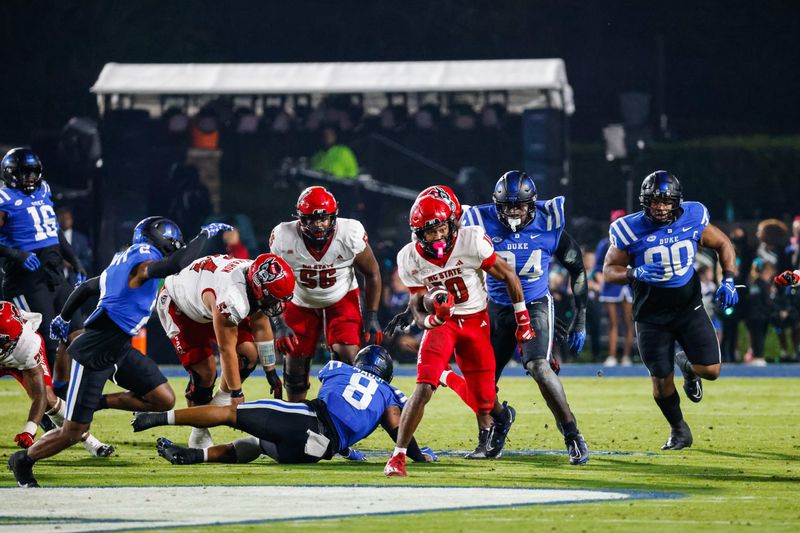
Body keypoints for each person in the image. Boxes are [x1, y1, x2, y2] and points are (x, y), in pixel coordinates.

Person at [7, 217, 232, 487]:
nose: (176, 246)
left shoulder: (124, 258)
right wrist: (203, 235)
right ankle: (23, 461)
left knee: (162, 398)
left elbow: (88, 286)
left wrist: (64, 317)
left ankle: (96, 403)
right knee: (73, 431)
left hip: (119, 347)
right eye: (172, 241)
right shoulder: (142, 261)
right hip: (96, 352)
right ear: (159, 240)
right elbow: (175, 263)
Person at [383, 193, 532, 477]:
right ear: (418, 232)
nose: (438, 236)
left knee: (484, 402)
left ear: (453, 224)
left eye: (442, 228)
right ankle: (398, 456)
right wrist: (429, 319)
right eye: (430, 231)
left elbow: (509, 276)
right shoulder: (410, 256)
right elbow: (416, 303)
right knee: (423, 386)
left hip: (476, 321)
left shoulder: (471, 240)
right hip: (444, 324)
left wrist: (522, 318)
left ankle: (498, 411)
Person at [461, 170, 590, 465]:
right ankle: (496, 425)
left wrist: (580, 317)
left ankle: (572, 435)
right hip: (495, 306)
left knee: (539, 366)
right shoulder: (480, 223)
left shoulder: (549, 224)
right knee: (480, 381)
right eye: (507, 205)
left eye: (519, 205)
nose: (513, 211)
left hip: (534, 305)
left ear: (531, 204)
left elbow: (577, 267)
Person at [603, 170, 738, 450]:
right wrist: (634, 272)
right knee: (661, 379)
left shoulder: (693, 216)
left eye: (667, 201)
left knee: (711, 370)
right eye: (655, 201)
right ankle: (679, 430)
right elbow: (609, 271)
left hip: (689, 306)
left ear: (677, 201)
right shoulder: (628, 229)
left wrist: (729, 279)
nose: (661, 207)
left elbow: (723, 243)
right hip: (651, 314)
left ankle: (688, 368)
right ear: (645, 201)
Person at [131, 345, 438, 466]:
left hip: (306, 423)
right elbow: (399, 432)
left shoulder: (338, 368)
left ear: (359, 362)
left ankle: (158, 417)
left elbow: (338, 403)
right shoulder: (387, 394)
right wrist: (418, 457)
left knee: (230, 413)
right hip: (316, 452)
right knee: (257, 443)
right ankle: (196, 456)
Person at [155, 253, 295, 448]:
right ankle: (199, 429)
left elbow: (261, 325)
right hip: (180, 306)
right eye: (273, 299)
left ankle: (220, 398)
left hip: (207, 298)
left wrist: (270, 371)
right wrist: (237, 394)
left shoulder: (254, 277)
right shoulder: (232, 297)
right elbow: (226, 349)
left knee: (248, 355)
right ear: (257, 287)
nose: (277, 305)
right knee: (205, 372)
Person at [268, 186, 382, 402]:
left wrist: (372, 315)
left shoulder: (350, 234)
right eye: (311, 219)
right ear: (300, 218)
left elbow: (372, 272)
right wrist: (279, 323)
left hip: (341, 297)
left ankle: (341, 410)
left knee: (347, 356)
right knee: (295, 365)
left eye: (323, 219)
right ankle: (296, 415)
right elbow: (270, 283)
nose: (318, 225)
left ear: (333, 217)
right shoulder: (284, 237)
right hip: (299, 300)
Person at [0, 148, 88, 399]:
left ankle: (63, 395)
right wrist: (17, 255)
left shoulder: (44, 190)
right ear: (10, 174)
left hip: (54, 274)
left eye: (32, 171)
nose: (29, 177)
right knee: (44, 343)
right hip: (25, 280)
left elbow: (53, 231)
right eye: (23, 172)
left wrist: (74, 260)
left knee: (77, 335)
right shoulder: (4, 198)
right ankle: (46, 405)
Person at [0, 300, 112, 457]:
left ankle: (90, 441)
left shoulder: (27, 345)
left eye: (1, 341)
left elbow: (41, 397)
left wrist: (29, 431)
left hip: (18, 358)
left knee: (50, 400)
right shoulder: (9, 338)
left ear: (14, 337)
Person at [594, 210, 634, 366]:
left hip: (629, 284)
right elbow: (598, 267)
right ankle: (611, 356)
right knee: (613, 322)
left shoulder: (633, 241)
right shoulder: (605, 244)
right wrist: (601, 281)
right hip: (611, 285)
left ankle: (626, 356)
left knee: (628, 322)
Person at [56, 206, 93, 285]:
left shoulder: (81, 239)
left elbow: (88, 261)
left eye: (67, 218)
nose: (64, 221)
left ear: (71, 219)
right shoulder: (52, 239)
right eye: (62, 219)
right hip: (57, 281)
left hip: (75, 281)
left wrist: (72, 264)